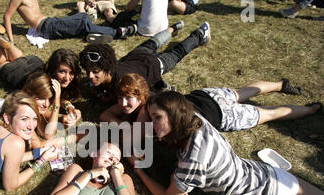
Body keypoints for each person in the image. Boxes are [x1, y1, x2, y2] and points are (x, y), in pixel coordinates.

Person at [128, 90, 324, 195]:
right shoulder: (196, 119)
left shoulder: (192, 161)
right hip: (270, 175)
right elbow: (152, 107)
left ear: (173, 114)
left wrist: (138, 167)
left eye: (157, 117)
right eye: (151, 116)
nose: (151, 123)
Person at [101, 74, 322, 133]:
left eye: (129, 98)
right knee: (242, 91)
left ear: (142, 96)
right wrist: (122, 120)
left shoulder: (148, 111)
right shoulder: (144, 101)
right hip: (204, 96)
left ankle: (313, 108)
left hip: (221, 115)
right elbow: (105, 116)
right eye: (120, 98)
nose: (123, 103)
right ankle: (279, 84)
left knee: (270, 114)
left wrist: (126, 125)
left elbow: (134, 141)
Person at [79, 22, 210, 104]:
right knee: (154, 42)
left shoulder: (121, 81)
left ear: (107, 68)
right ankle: (173, 28)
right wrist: (97, 92)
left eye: (95, 72)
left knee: (177, 53)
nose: (90, 76)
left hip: (153, 64)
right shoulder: (108, 69)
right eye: (88, 71)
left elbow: (143, 97)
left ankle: (200, 33)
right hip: (138, 54)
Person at [3, 0, 137, 45]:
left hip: (49, 22)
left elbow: (29, 12)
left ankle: (98, 33)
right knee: (83, 19)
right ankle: (118, 32)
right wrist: (10, 41)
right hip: (46, 28)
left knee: (82, 21)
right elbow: (7, 16)